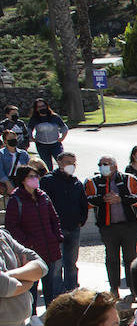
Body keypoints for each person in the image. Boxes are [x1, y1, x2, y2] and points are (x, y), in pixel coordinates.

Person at [87, 155, 137, 299]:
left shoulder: (129, 179)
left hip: (129, 226)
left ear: (115, 166)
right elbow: (86, 201)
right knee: (111, 258)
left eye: (106, 164)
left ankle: (134, 289)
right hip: (107, 227)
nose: (102, 166)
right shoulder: (93, 182)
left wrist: (121, 199)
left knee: (131, 258)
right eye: (100, 164)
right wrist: (102, 199)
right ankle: (114, 288)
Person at [10, 165, 64, 311]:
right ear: (23, 180)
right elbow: (12, 226)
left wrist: (57, 236)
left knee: (50, 283)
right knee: (33, 284)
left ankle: (51, 310)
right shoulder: (16, 200)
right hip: (32, 250)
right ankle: (32, 313)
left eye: (36, 176)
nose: (35, 179)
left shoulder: (43, 196)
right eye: (31, 176)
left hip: (49, 247)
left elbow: (54, 218)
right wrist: (28, 243)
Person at [41, 153, 86, 296]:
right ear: (59, 163)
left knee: (71, 264)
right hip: (55, 230)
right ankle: (57, 296)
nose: (71, 166)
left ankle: (72, 294)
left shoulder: (76, 182)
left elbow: (82, 203)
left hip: (73, 228)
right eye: (67, 162)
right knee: (56, 265)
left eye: (73, 163)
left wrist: (81, 220)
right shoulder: (48, 181)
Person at [27, 100, 66, 169]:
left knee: (62, 163)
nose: (42, 108)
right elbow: (29, 129)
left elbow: (64, 127)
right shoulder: (34, 119)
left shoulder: (54, 117)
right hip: (42, 145)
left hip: (55, 144)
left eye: (43, 106)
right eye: (39, 107)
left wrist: (63, 137)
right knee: (47, 166)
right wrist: (31, 138)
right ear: (36, 108)